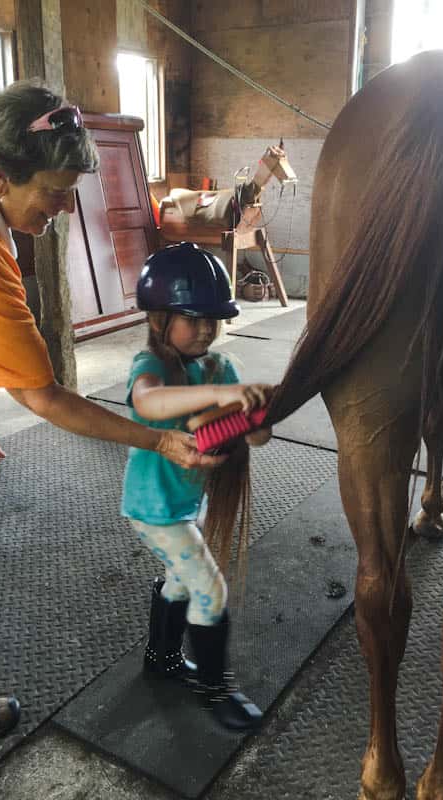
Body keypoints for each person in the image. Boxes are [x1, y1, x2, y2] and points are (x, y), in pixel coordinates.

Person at [0, 83, 224, 800]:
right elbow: (44, 397)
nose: (65, 208)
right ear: (0, 174)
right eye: (53, 190)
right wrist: (159, 443)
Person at [121, 242, 272, 731]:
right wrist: (220, 396)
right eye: (193, 317)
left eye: (213, 318)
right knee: (210, 590)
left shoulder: (219, 368)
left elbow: (259, 434)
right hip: (153, 508)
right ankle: (214, 688)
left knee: (181, 580)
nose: (207, 328)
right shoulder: (151, 367)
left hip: (189, 502)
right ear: (159, 318)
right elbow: (148, 405)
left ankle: (161, 659)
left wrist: (256, 410)